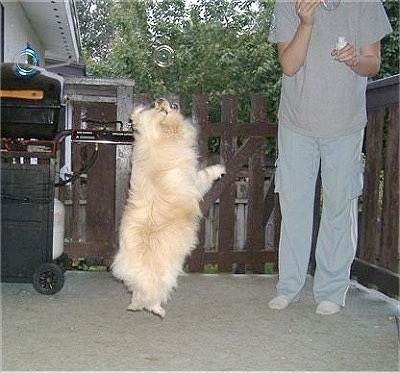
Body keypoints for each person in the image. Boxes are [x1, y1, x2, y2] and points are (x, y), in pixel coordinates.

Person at [267, 0, 392, 315]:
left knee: (339, 205)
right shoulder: (288, 3)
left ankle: (332, 291)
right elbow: (289, 65)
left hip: (345, 124)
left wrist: (355, 59)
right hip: (296, 122)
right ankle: (289, 287)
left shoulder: (365, 3)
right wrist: (306, 23)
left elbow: (373, 62)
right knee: (294, 207)